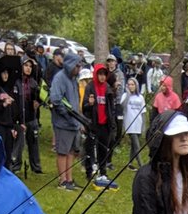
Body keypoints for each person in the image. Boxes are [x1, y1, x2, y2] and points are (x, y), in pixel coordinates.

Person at [49, 52, 83, 189]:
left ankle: (69, 179)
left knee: (71, 152)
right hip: (63, 123)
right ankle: (62, 181)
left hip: (73, 123)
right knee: (62, 152)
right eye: (77, 65)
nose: (79, 68)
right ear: (70, 65)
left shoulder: (74, 79)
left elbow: (75, 100)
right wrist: (68, 116)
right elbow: (56, 99)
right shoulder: (60, 78)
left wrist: (78, 120)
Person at [82, 62, 117, 180]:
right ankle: (89, 170)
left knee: (103, 148)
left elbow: (111, 107)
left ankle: (103, 171)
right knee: (90, 148)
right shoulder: (90, 87)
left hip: (105, 124)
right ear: (95, 74)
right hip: (93, 123)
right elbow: (84, 107)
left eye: (104, 74)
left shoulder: (107, 88)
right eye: (100, 74)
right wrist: (90, 104)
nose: (102, 76)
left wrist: (112, 122)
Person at [12, 55, 42, 174]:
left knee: (34, 142)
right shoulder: (16, 82)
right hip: (19, 117)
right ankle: (16, 165)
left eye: (30, 66)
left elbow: (40, 96)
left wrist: (38, 102)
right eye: (26, 65)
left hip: (31, 116)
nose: (28, 68)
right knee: (19, 144)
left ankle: (36, 166)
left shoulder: (33, 82)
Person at [122, 75, 147, 168]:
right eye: (129, 84)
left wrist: (143, 126)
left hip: (138, 124)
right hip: (130, 124)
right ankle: (141, 165)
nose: (131, 86)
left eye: (132, 84)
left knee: (133, 145)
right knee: (137, 145)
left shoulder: (140, 97)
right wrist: (128, 95)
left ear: (136, 85)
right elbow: (122, 107)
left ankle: (130, 163)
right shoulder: (125, 96)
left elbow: (143, 112)